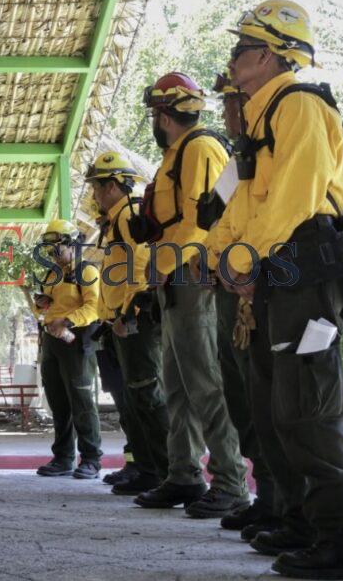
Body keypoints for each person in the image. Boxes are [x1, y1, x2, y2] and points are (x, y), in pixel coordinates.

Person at [215, 0, 343, 579]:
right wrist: (222, 253)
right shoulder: (262, 118)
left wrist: (245, 257)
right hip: (278, 273)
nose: (233, 58)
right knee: (278, 405)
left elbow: (296, 199)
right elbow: (244, 202)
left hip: (303, 269)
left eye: (241, 48)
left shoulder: (299, 104)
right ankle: (305, 520)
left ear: (268, 55)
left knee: (309, 408)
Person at [132, 72, 249, 520]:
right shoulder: (177, 155)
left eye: (154, 115)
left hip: (192, 276)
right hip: (174, 277)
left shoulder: (198, 149)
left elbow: (202, 223)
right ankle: (183, 473)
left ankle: (230, 481)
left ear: (164, 116)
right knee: (178, 386)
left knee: (205, 383)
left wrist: (163, 266)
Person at [204, 72, 279, 537]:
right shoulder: (239, 161)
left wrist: (242, 265)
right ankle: (267, 495)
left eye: (232, 102)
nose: (228, 113)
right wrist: (217, 261)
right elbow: (220, 220)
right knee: (243, 396)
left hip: (262, 285)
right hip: (232, 286)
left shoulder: (275, 147)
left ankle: (283, 501)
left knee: (267, 396)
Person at [86, 152, 171, 496]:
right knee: (135, 400)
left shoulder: (129, 215)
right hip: (119, 322)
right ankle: (148, 469)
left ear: (111, 187)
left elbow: (140, 267)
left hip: (133, 321)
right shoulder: (116, 220)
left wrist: (128, 312)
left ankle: (165, 472)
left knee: (147, 396)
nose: (93, 195)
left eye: (96, 187)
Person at [32, 219, 104, 480]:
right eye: (49, 249)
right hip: (52, 341)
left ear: (72, 244)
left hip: (76, 341)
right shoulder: (52, 275)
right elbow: (49, 307)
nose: (52, 254)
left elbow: (94, 307)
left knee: (82, 401)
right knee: (58, 402)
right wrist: (42, 304)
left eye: (57, 248)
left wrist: (68, 320)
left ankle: (91, 459)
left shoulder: (86, 271)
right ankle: (63, 458)